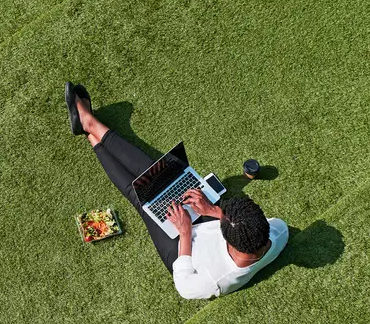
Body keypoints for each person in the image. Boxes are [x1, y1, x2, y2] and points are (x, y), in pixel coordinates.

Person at [65, 82, 289, 299]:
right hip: (212, 226)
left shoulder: (213, 281)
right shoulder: (277, 233)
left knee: (142, 200)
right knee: (163, 177)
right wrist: (214, 211)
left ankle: (90, 132)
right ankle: (89, 125)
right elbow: (256, 226)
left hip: (185, 249)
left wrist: (185, 231)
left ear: (228, 242)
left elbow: (183, 282)